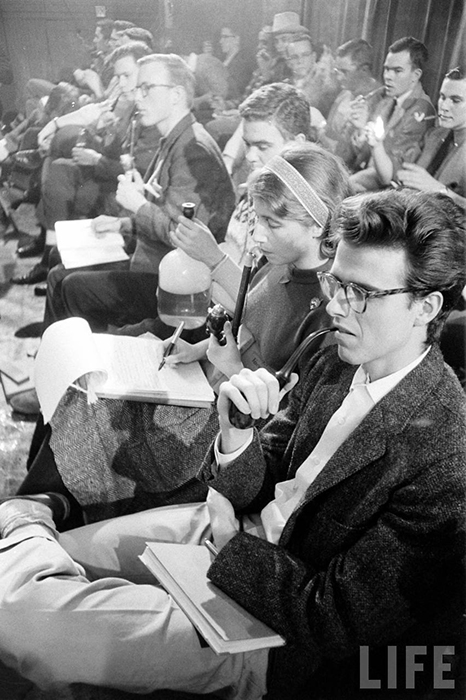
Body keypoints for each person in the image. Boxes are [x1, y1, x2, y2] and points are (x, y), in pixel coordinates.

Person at [0, 187, 464, 700]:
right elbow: (266, 476)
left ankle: (27, 523)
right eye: (335, 282)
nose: (335, 305)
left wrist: (228, 542)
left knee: (19, 613)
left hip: (272, 631)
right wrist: (237, 433)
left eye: (361, 293)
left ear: (426, 306)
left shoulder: (446, 452)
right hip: (233, 533)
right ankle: (32, 539)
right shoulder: (335, 357)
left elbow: (331, 620)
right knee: (49, 564)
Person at [19, 143, 350, 525]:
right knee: (82, 389)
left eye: (272, 224)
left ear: (317, 224)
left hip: (228, 428)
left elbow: (286, 417)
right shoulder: (280, 263)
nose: (257, 235)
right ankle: (40, 508)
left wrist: (233, 366)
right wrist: (203, 350)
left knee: (96, 410)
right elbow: (253, 326)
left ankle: (46, 514)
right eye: (257, 219)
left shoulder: (327, 309)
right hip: (212, 386)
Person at [42, 53, 235, 330]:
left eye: (147, 88)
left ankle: (81, 351)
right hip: (154, 258)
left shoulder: (194, 149)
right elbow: (167, 212)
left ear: (176, 95)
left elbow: (185, 237)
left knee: (69, 284)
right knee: (59, 266)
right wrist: (123, 223)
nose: (138, 97)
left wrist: (138, 206)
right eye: (138, 89)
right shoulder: (175, 138)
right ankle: (58, 347)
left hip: (175, 283)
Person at [347, 36, 435, 191]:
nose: (388, 76)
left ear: (416, 75)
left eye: (397, 71)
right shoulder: (387, 100)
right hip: (367, 177)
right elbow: (367, 153)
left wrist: (350, 181)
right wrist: (361, 128)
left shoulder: (421, 112)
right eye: (387, 69)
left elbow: (391, 174)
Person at [396, 65, 466, 208]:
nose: (444, 106)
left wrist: (439, 190)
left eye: (455, 100)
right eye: (442, 97)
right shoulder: (434, 136)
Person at [321, 38, 383, 169]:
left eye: (344, 72)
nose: (339, 77)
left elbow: (363, 156)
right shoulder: (345, 93)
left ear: (364, 70)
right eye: (337, 71)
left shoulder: (379, 102)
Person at [285, 33, 339, 119]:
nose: (300, 61)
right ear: (288, 62)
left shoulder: (325, 87)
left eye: (305, 55)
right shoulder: (284, 87)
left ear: (314, 57)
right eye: (294, 57)